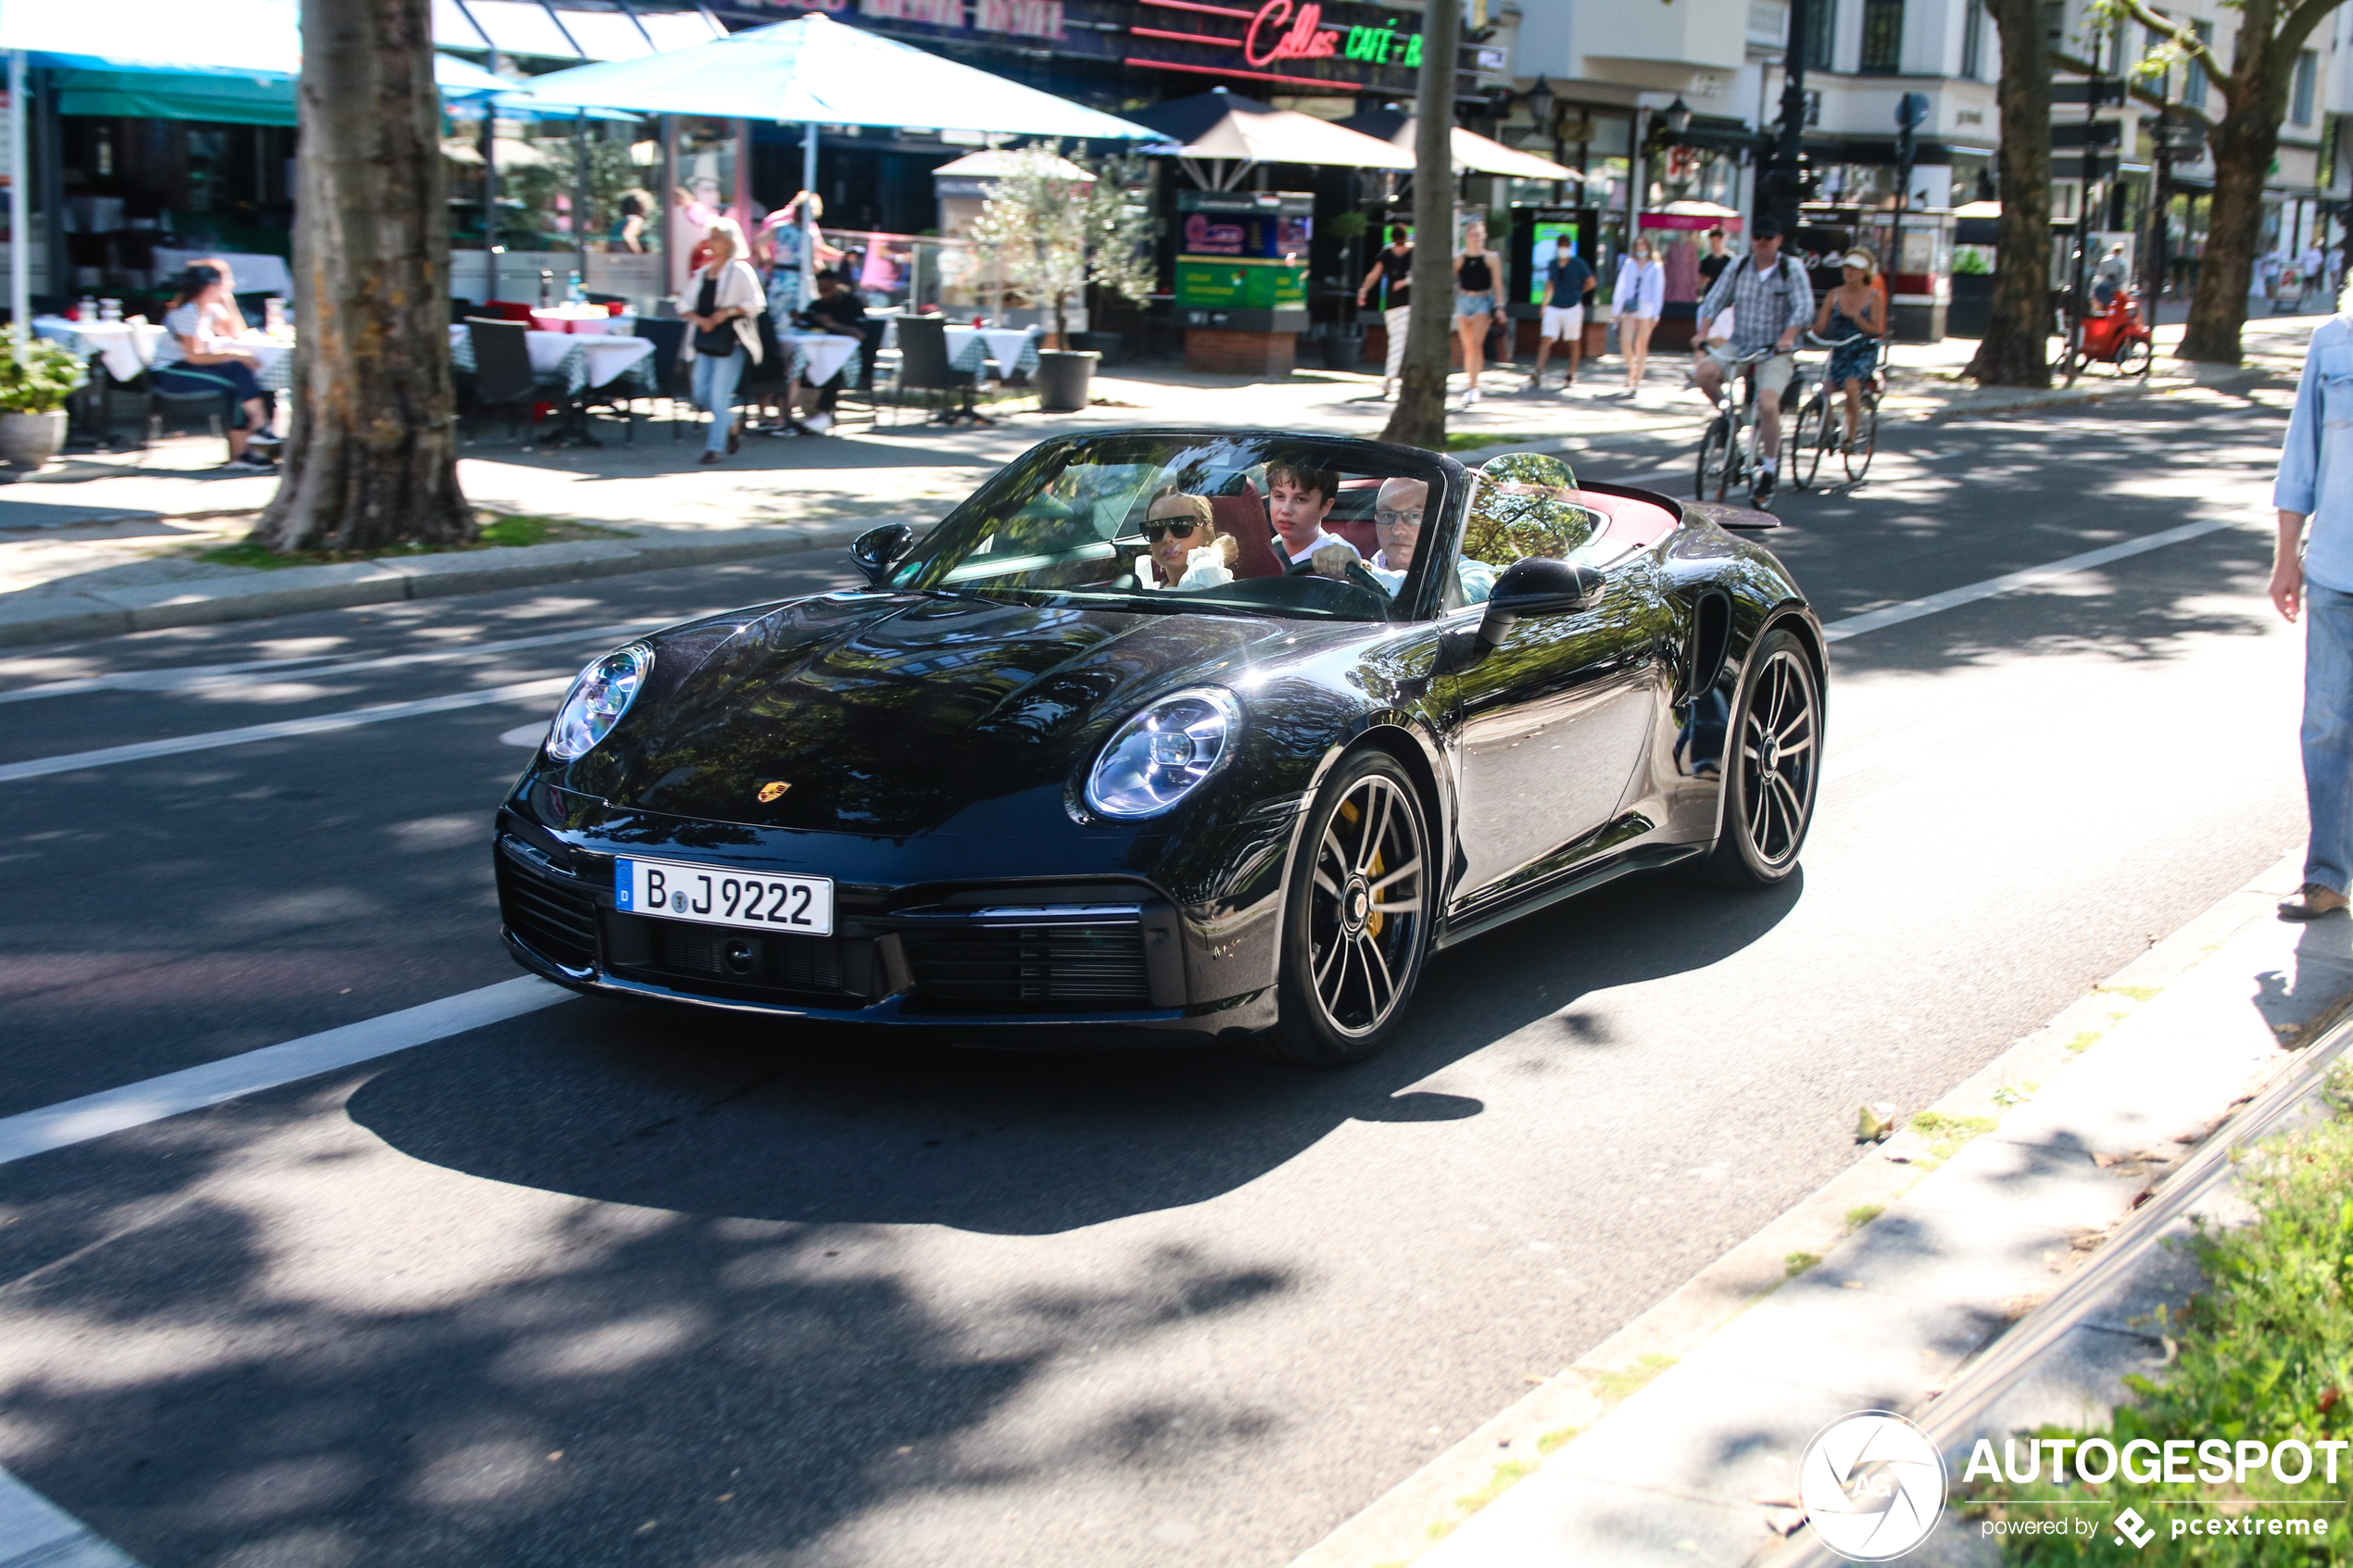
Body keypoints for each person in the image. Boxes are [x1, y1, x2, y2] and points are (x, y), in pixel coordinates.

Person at [2271, 303, 2353, 920]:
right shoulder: (2333, 343)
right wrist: (2285, 558)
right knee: (2326, 725)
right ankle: (2327, 874)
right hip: (2334, 571)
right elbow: (2301, 457)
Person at [1693, 215, 1815, 505]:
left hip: (1776, 349)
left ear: (1779, 240)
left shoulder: (1791, 268)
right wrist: (1702, 333)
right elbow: (1715, 299)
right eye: (1757, 236)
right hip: (1741, 342)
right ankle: (1730, 419)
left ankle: (1769, 471)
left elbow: (1804, 307)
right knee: (1704, 373)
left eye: (1768, 237)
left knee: (1768, 403)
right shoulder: (1739, 266)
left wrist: (1788, 336)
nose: (1762, 242)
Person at [149, 263, 274, 471]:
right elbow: (195, 357)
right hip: (171, 371)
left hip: (190, 366)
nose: (229, 287)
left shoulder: (209, 310)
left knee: (239, 371)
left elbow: (237, 333)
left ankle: (256, 433)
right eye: (225, 283)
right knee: (235, 381)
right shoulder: (187, 311)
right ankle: (246, 447)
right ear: (210, 285)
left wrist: (228, 302)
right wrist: (234, 354)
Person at [673, 215, 764, 464]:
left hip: (730, 342)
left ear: (728, 242)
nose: (710, 243)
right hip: (706, 340)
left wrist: (727, 312)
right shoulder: (703, 274)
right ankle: (733, 423)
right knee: (700, 393)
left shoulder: (741, 271)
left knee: (718, 396)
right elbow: (683, 304)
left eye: (715, 238)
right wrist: (699, 319)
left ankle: (714, 448)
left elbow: (756, 303)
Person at [1364, 475, 1492, 604]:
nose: (1397, 530)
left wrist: (1367, 576)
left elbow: (1471, 593)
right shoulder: (1354, 575)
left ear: (1440, 523)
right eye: (1388, 515)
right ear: (1376, 519)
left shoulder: (1473, 573)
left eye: (1414, 516)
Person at [1810, 248, 1886, 453]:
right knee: (1823, 389)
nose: (1849, 272)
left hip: (1863, 348)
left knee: (1851, 385)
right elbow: (1821, 324)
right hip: (1840, 348)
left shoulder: (1874, 296)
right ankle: (1831, 423)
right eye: (1847, 268)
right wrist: (1809, 329)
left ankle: (1849, 437)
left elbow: (1875, 329)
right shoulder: (1834, 294)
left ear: (1864, 273)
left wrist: (1856, 316)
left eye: (1855, 269)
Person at [784, 269, 867, 435]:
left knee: (832, 370)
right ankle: (796, 416)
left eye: (827, 290)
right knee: (796, 367)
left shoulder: (852, 304)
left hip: (846, 356)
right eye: (821, 291)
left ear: (836, 285)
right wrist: (798, 319)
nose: (824, 295)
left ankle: (822, 416)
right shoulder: (817, 305)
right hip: (816, 353)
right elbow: (807, 322)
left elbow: (861, 334)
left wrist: (834, 326)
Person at [1355, 226, 1415, 400]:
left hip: (1407, 303)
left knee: (1397, 341)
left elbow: (1420, 274)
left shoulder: (1413, 252)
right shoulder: (1387, 253)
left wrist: (1404, 282)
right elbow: (1375, 274)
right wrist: (1364, 289)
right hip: (1391, 304)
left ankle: (1389, 379)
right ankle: (1398, 376)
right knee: (1396, 340)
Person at [1135, 493, 1237, 591]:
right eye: (1155, 529)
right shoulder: (1147, 591)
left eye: (1181, 526)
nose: (1166, 538)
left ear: (1207, 533)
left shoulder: (1221, 587)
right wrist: (1216, 554)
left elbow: (1196, 589)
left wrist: (1214, 555)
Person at [1265, 458, 1357, 566]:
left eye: (1301, 499)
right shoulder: (1259, 556)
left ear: (1326, 506)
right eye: (1279, 496)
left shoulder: (1339, 559)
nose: (1286, 510)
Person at [1453, 221, 1506, 408]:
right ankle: (1470, 382)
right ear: (1466, 236)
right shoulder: (1460, 259)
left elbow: (1498, 283)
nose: (1475, 238)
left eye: (1479, 234)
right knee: (1467, 346)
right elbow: (1451, 280)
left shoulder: (1491, 258)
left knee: (1476, 344)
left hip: (1483, 300)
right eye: (1472, 234)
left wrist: (1499, 306)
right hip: (1464, 300)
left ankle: (1473, 387)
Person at [1534, 239, 1595, 391]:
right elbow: (1550, 285)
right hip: (1554, 306)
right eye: (1561, 246)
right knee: (1546, 338)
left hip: (1572, 307)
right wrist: (1544, 304)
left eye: (1566, 246)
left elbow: (1591, 281)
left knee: (1573, 341)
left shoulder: (1578, 263)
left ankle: (1571, 373)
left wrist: (1579, 292)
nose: (1563, 249)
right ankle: (1538, 370)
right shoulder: (1553, 264)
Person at [1612, 233, 1666, 395]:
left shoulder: (1655, 266)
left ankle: (1637, 380)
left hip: (1646, 307)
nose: (1641, 248)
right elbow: (1621, 287)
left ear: (1648, 247)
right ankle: (1632, 369)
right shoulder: (1629, 264)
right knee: (1625, 341)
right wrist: (1616, 310)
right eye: (1638, 245)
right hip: (1630, 305)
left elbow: (1658, 290)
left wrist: (1656, 313)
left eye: (1643, 245)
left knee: (1641, 344)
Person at [2092, 242, 2130, 308]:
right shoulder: (2122, 262)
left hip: (2103, 287)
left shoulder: (2105, 260)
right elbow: (2124, 277)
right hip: (2115, 290)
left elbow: (2100, 273)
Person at [1697, 228, 1732, 295]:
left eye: (1716, 241)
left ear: (1722, 240)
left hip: (1725, 296)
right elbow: (1699, 283)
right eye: (1712, 242)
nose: (1714, 244)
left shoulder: (1729, 261)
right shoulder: (1706, 261)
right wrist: (1704, 281)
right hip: (1709, 295)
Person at [2305, 241, 2330, 307]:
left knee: (2311, 287)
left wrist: (2317, 270)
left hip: (2312, 272)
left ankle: (2309, 301)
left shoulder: (2317, 253)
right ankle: (2301, 299)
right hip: (2305, 272)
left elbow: (2319, 262)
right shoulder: (2305, 252)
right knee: (2303, 286)